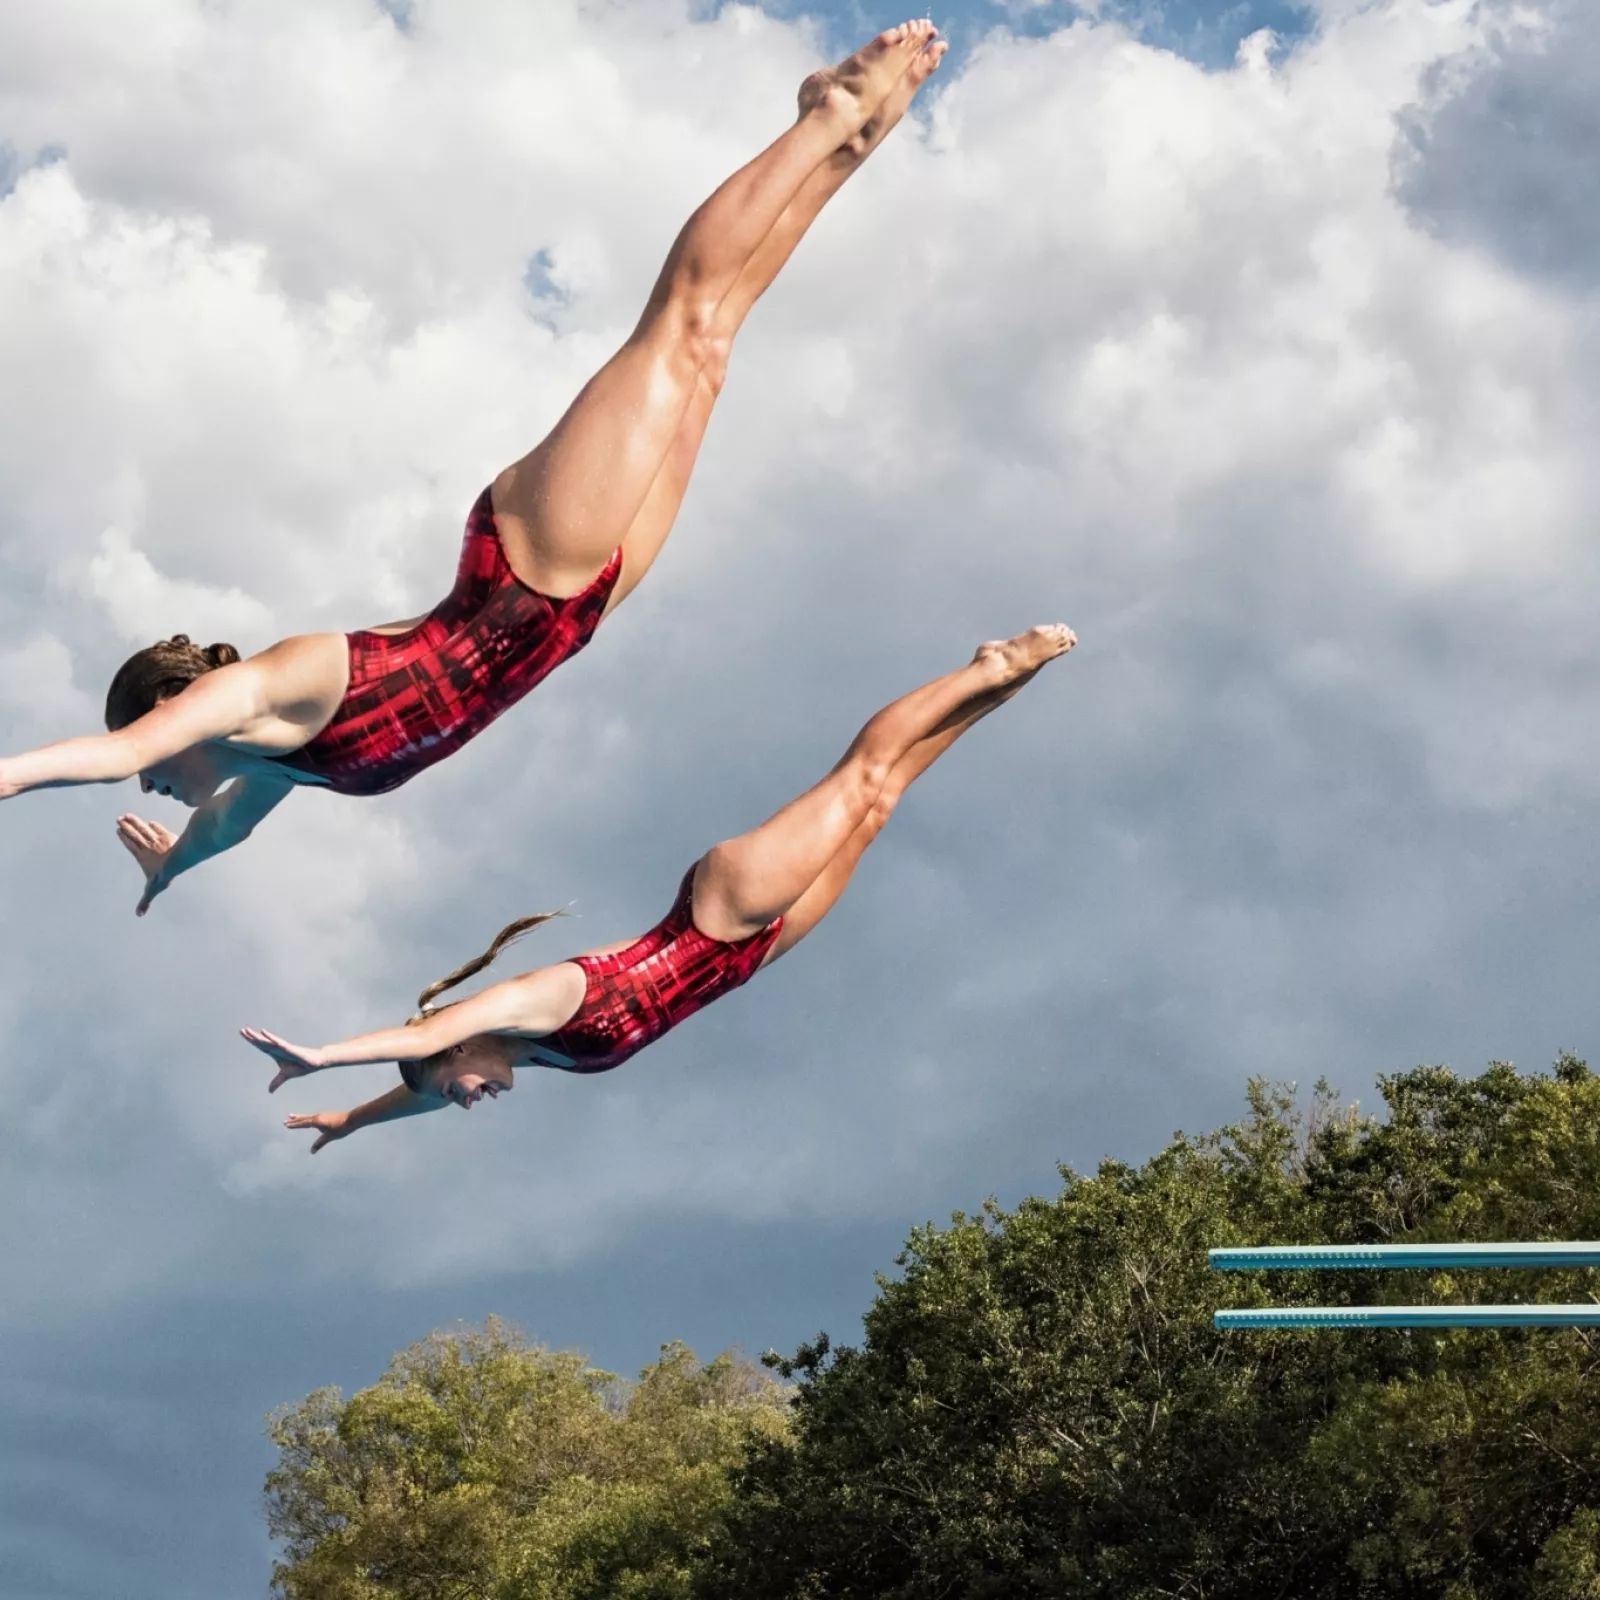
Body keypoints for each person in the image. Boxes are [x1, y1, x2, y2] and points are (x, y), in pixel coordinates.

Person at [0, 21, 947, 916]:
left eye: (153, 773)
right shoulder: (275, 770)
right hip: (576, 614)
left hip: (527, 564)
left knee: (682, 320)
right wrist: (173, 864)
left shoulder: (253, 696)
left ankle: (827, 111)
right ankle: (844, 147)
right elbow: (218, 832)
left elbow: (116, 749)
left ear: (171, 704)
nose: (153, 784)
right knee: (712, 347)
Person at [242, 625, 1077, 1150]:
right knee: (881, 806)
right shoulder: (522, 1051)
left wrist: (320, 1057)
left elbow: (410, 1045)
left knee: (858, 782)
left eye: (457, 1086)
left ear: (456, 1046)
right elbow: (418, 1091)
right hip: (749, 956)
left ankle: (985, 665)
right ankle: (992, 695)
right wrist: (353, 1120)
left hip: (720, 911)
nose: (469, 1101)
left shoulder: (521, 1009)